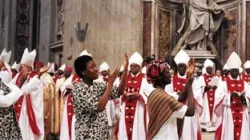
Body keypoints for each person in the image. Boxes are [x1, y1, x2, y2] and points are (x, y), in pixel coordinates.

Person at [72, 52, 128, 139]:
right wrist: (110, 83)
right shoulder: (78, 89)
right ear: (83, 72)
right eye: (91, 67)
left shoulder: (98, 85)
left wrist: (125, 71)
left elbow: (118, 92)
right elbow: (99, 107)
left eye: (95, 66)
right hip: (87, 136)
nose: (96, 69)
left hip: (102, 135)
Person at [145, 60, 195, 140]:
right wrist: (190, 85)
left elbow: (182, 96)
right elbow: (190, 111)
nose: (171, 75)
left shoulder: (157, 93)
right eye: (167, 72)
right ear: (160, 77)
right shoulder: (163, 97)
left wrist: (188, 80)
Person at [165, 49, 203, 140]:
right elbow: (167, 93)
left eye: (182, 66)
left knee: (187, 135)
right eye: (179, 66)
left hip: (188, 111)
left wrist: (188, 94)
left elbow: (198, 93)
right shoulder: (171, 80)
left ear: (186, 67)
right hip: (175, 110)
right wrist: (176, 95)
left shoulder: (192, 80)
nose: (180, 68)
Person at [214, 52, 250, 140]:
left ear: (239, 71)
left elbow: (249, 94)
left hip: (242, 111)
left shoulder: (245, 84)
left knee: (243, 135)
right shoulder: (223, 84)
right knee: (229, 134)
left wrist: (243, 98)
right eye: (233, 70)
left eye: (236, 70)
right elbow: (218, 97)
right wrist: (230, 96)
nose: (235, 72)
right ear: (229, 71)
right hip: (229, 113)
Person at [12, 48, 44, 140]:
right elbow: (11, 86)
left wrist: (22, 84)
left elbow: (26, 90)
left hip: (28, 109)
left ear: (29, 67)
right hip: (18, 107)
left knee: (26, 131)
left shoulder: (35, 77)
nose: (21, 68)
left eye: (23, 66)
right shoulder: (19, 75)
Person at [116, 52, 149, 140]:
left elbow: (149, 97)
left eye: (135, 65)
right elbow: (118, 94)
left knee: (138, 133)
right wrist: (124, 96)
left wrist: (139, 96)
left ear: (140, 67)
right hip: (125, 110)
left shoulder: (145, 79)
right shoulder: (124, 79)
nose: (133, 67)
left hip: (139, 110)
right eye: (131, 66)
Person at [200, 59, 217, 131]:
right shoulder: (201, 77)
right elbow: (199, 88)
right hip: (206, 97)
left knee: (213, 110)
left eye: (211, 68)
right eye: (208, 68)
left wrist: (216, 87)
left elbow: (219, 87)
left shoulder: (215, 77)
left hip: (214, 95)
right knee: (206, 110)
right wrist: (205, 88)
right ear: (205, 69)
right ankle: (204, 126)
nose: (210, 69)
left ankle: (212, 126)